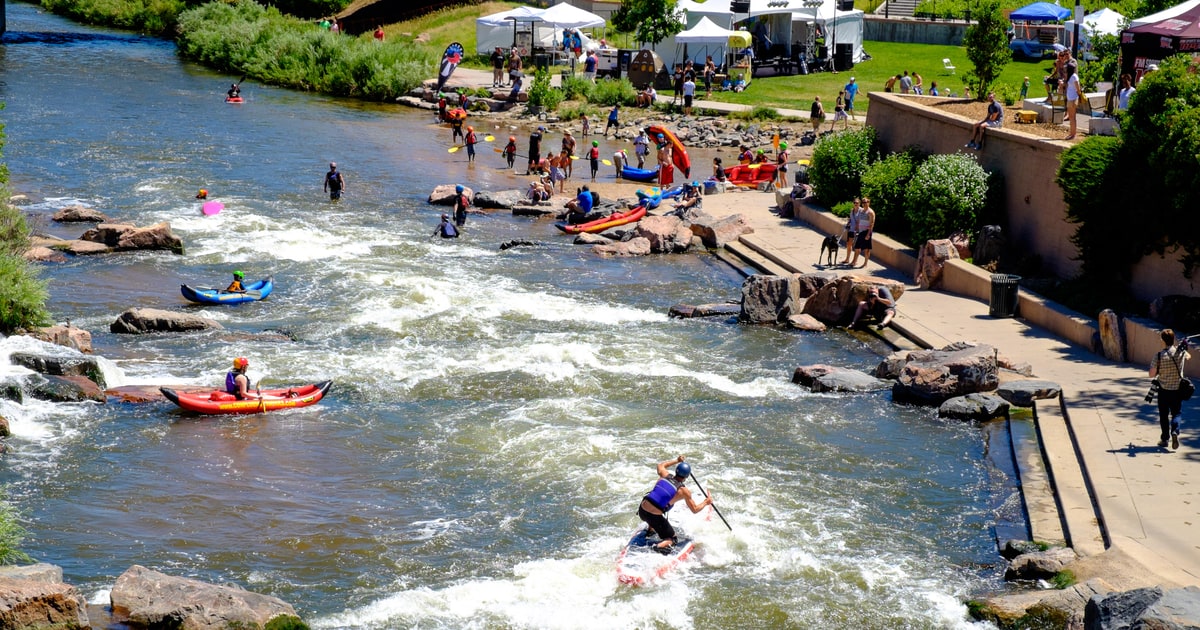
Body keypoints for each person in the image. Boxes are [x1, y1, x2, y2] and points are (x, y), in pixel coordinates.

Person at [637, 456, 712, 550]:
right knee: (673, 539)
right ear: (686, 476)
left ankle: (650, 530)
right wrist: (706, 502)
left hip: (642, 510)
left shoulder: (664, 474)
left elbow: (661, 465)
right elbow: (695, 509)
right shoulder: (684, 491)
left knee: (658, 501)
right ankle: (656, 547)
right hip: (653, 517)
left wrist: (677, 460)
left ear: (676, 471)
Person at [1150, 329, 1192, 450]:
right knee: (1176, 413)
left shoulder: (1158, 356)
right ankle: (1175, 431)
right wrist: (1182, 348)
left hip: (1163, 390)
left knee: (1163, 415)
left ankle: (1164, 439)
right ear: (1173, 339)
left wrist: (1159, 369)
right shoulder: (1181, 353)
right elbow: (1188, 356)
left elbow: (1151, 374)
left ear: (1163, 340)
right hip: (1177, 390)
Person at [851, 197, 876, 267]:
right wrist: (857, 228)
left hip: (866, 232)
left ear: (869, 203)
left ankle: (865, 263)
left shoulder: (870, 212)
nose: (864, 204)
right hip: (861, 231)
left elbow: (872, 224)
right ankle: (854, 261)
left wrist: (868, 234)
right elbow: (859, 220)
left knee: (867, 249)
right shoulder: (861, 211)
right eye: (863, 202)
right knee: (857, 247)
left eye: (866, 202)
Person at [1063, 63, 1082, 140]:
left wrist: (1078, 94)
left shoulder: (1074, 76)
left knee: (1072, 117)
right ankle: (1072, 133)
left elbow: (1078, 88)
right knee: (1071, 117)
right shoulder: (1071, 76)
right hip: (1070, 98)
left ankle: (1073, 134)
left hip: (1073, 98)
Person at [841, 198, 862, 265]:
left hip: (857, 231)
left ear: (859, 203)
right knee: (849, 244)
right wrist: (848, 223)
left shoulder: (861, 211)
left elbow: (860, 221)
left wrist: (857, 228)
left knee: (856, 246)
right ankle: (847, 259)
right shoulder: (852, 210)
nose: (856, 204)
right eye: (855, 203)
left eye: (857, 203)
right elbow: (850, 219)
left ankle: (855, 261)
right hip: (851, 229)